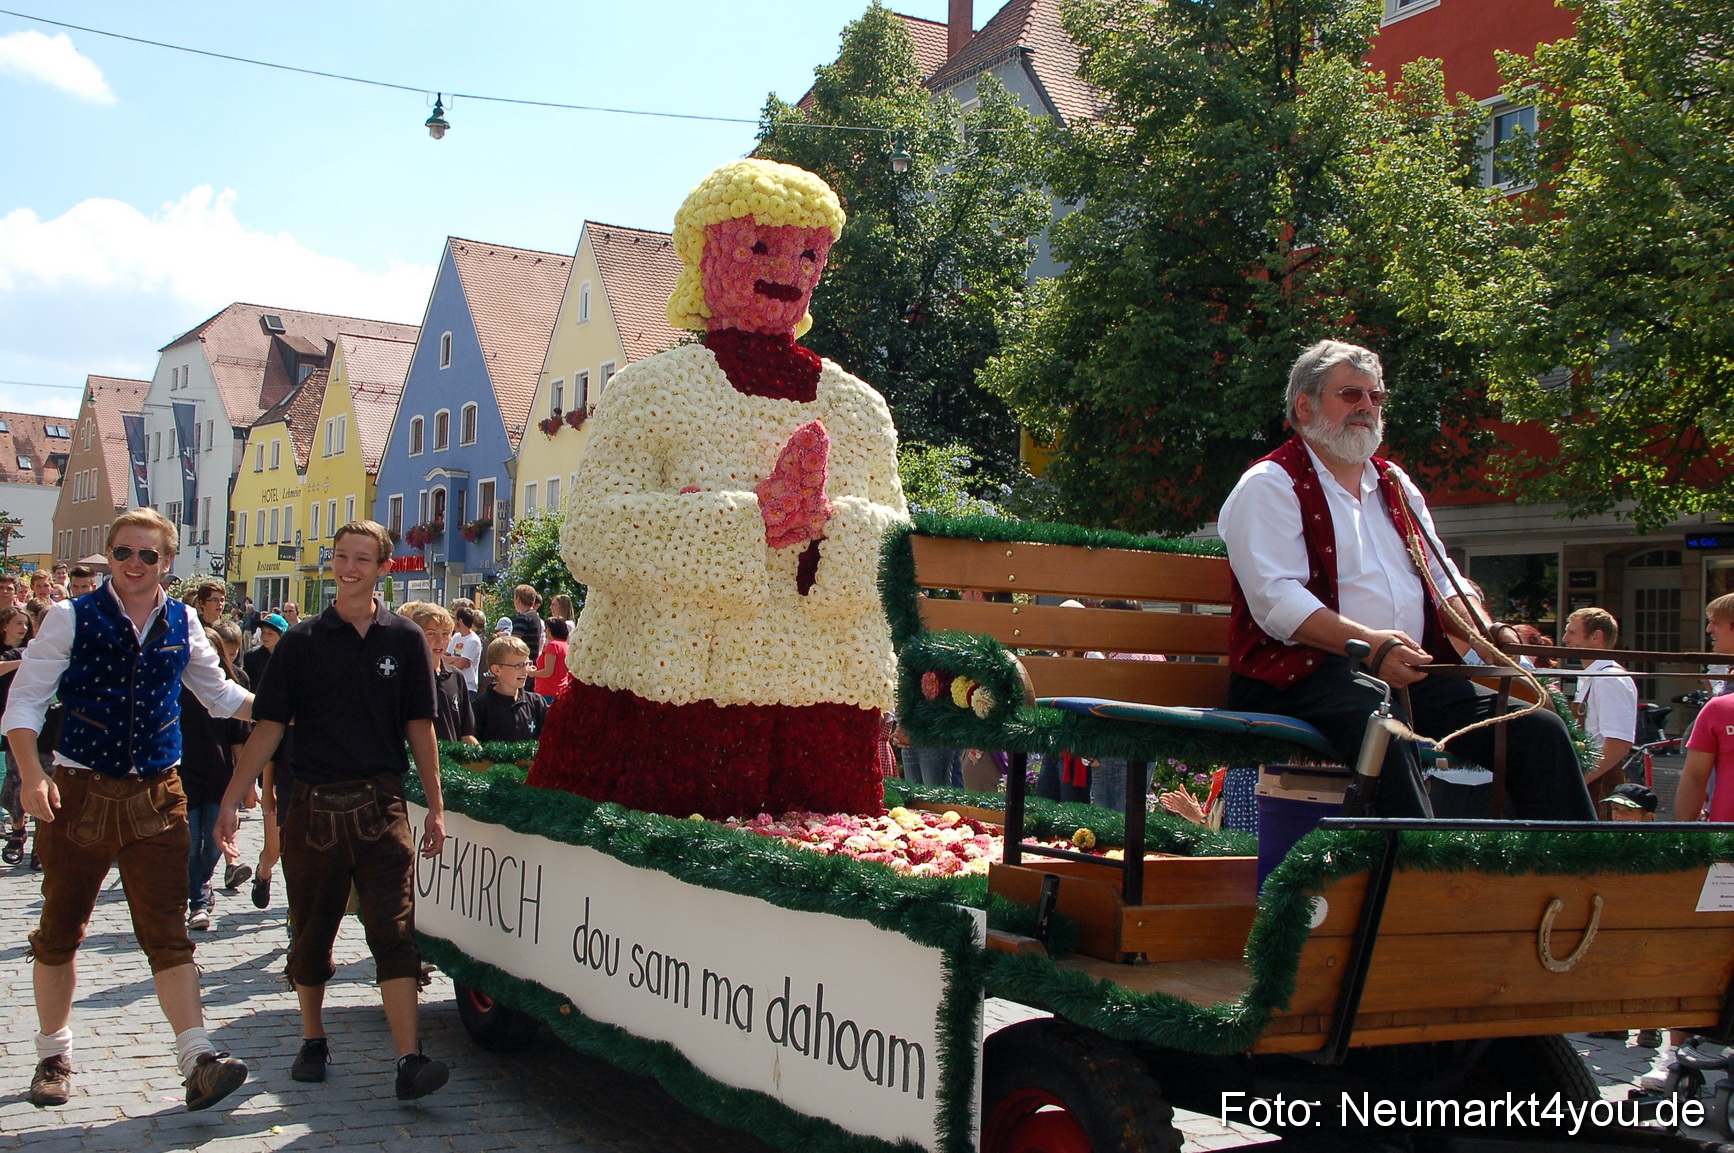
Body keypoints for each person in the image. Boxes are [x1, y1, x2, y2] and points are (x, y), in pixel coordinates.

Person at [528, 159, 907, 819]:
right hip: (667, 702)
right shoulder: (651, 391)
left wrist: (829, 526)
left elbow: (901, 560)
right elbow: (589, 534)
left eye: (810, 253)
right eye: (761, 247)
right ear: (708, 256)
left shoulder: (859, 408)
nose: (789, 269)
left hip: (822, 715)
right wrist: (746, 521)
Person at [1218, 340, 1595, 820]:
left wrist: (1488, 633)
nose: (1367, 408)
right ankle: (1411, 883)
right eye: (1350, 394)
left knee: (1537, 730)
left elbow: (1443, 580)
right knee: (1385, 727)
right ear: (1304, 405)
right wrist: (1372, 645)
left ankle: (1576, 877)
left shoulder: (1394, 482)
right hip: (1300, 675)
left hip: (1406, 676)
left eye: (1375, 397)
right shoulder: (1270, 483)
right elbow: (1276, 602)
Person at [2, 509, 254, 1111]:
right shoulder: (70, 616)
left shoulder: (184, 619)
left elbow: (218, 694)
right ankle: (53, 1053)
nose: (133, 565)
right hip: (79, 790)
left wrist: (282, 708)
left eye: (147, 555)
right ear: (109, 557)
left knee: (168, 932)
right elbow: (26, 701)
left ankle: (197, 1057)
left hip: (156, 793)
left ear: (168, 562)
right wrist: (33, 775)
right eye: (122, 553)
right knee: (61, 929)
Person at [216, 520, 449, 1100]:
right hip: (314, 806)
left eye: (362, 559)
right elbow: (269, 728)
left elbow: (420, 728)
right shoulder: (301, 641)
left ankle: (408, 1059)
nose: (349, 567)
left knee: (394, 932)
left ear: (383, 569)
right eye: (341, 557)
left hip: (382, 805)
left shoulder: (404, 639)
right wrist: (233, 795)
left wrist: (436, 806)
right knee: (312, 930)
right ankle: (314, 1037)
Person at [181, 622, 251, 931]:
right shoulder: (174, 684)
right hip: (181, 773)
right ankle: (198, 899)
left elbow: (240, 741)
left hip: (218, 772)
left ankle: (202, 883)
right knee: (189, 839)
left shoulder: (233, 684)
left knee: (212, 844)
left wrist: (247, 784)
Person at [1562, 607, 1638, 816]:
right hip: (1589, 786)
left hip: (1600, 789)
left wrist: (1579, 780)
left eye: (1572, 632)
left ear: (1596, 637)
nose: (1565, 639)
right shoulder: (1592, 676)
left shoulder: (1609, 679)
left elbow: (1618, 743)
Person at [240, 614, 290, 911]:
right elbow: (271, 747)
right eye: (264, 631)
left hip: (308, 787)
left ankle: (295, 916)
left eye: (273, 631)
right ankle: (263, 872)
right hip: (276, 775)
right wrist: (266, 787)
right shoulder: (255, 660)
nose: (266, 635)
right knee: (274, 850)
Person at [1678, 593, 1734, 824]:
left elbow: (1694, 779)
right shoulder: (1720, 703)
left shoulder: (1721, 707)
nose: (1709, 630)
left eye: (1716, 623)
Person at [399, 602, 476, 744]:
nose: (440, 641)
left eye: (445, 634)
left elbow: (466, 734)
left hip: (451, 762)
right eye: (431, 634)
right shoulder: (405, 677)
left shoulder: (456, 677)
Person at [0, 605, 35, 865]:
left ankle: (33, 841)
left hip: (31, 722)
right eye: (17, 623)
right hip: (4, 718)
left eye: (25, 623)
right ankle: (16, 828)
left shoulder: (35, 649)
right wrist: (21, 661)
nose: (23, 628)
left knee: (27, 776)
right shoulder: (18, 654)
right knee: (13, 779)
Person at [472, 636, 548, 743]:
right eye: (518, 665)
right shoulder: (481, 706)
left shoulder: (536, 703)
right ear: (497, 670)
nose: (525, 670)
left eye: (527, 664)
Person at [530, 616, 572, 701]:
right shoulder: (566, 646)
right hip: (560, 691)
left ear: (552, 630)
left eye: (547, 628)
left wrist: (532, 673)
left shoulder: (553, 645)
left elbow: (548, 672)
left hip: (547, 692)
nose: (545, 631)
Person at [447, 607, 484, 701]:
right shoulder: (456, 637)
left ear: (460, 621)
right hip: (453, 684)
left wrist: (451, 662)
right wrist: (456, 660)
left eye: (455, 618)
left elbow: (461, 665)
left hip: (467, 687)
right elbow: (443, 656)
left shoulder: (473, 640)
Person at [510, 585, 544, 665]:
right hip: (532, 662)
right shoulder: (535, 617)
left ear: (518, 599)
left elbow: (513, 643)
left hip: (522, 663)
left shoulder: (523, 618)